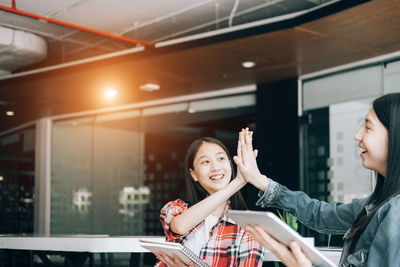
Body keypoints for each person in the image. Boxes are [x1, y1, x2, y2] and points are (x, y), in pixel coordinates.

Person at [234, 93, 400, 267]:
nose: (358, 136)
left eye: (368, 127)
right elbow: (321, 214)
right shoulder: (378, 203)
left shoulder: (396, 211)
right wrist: (261, 181)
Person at [154, 137, 264, 267]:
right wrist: (238, 182)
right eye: (205, 162)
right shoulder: (176, 209)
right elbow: (180, 227)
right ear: (193, 174)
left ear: (230, 164)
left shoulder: (249, 226)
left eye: (221, 158)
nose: (215, 167)